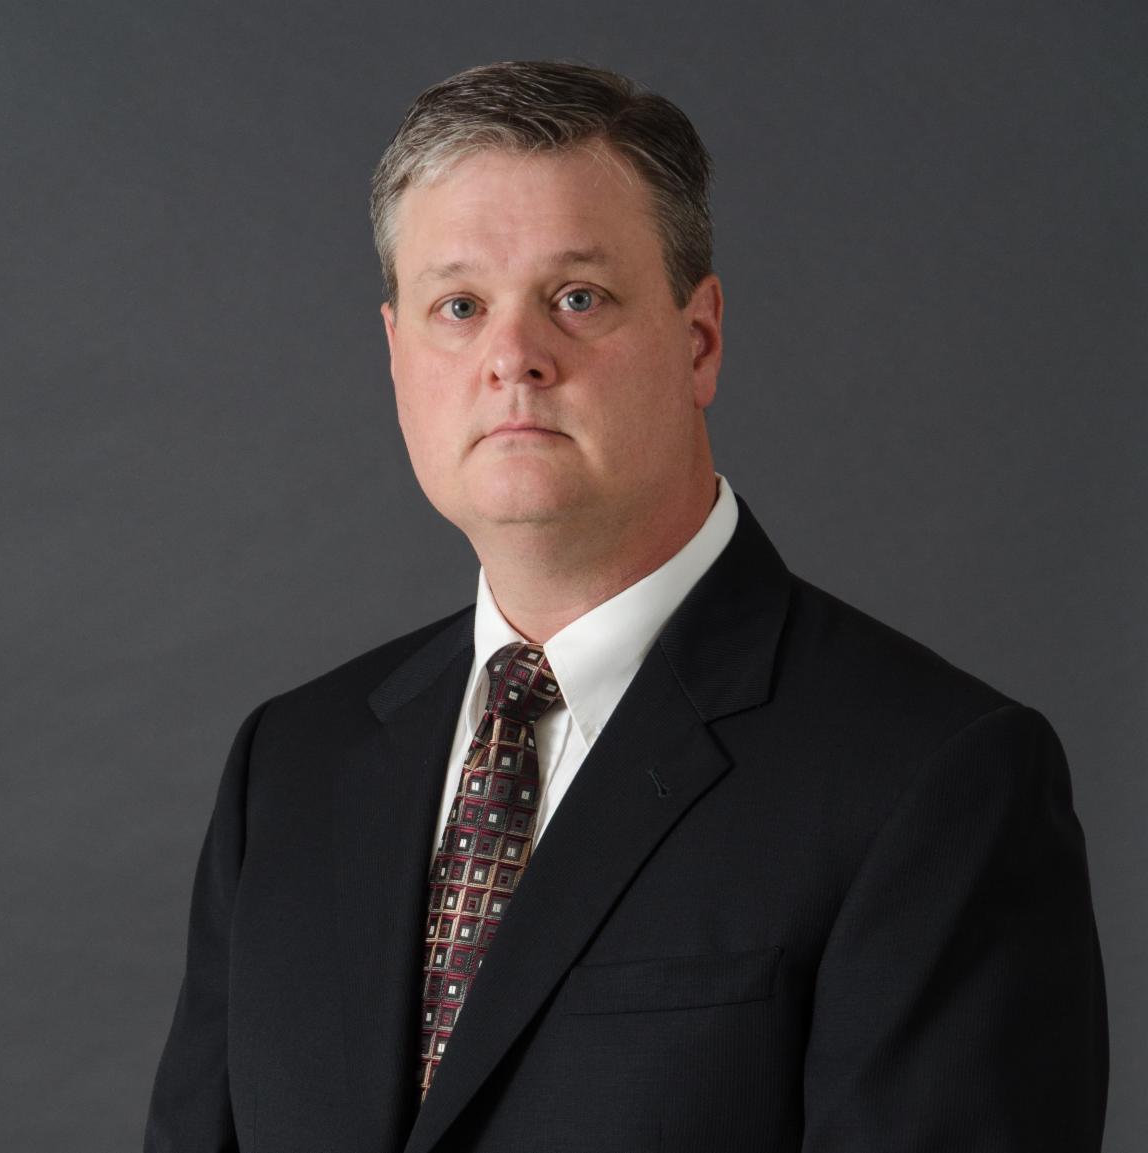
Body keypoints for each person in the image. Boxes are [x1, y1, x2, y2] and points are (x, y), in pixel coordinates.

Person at [144, 61, 1107, 1152]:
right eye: (460, 306)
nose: (514, 358)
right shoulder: (288, 766)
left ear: (699, 342)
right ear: (397, 353)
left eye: (577, 298)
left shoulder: (936, 779)